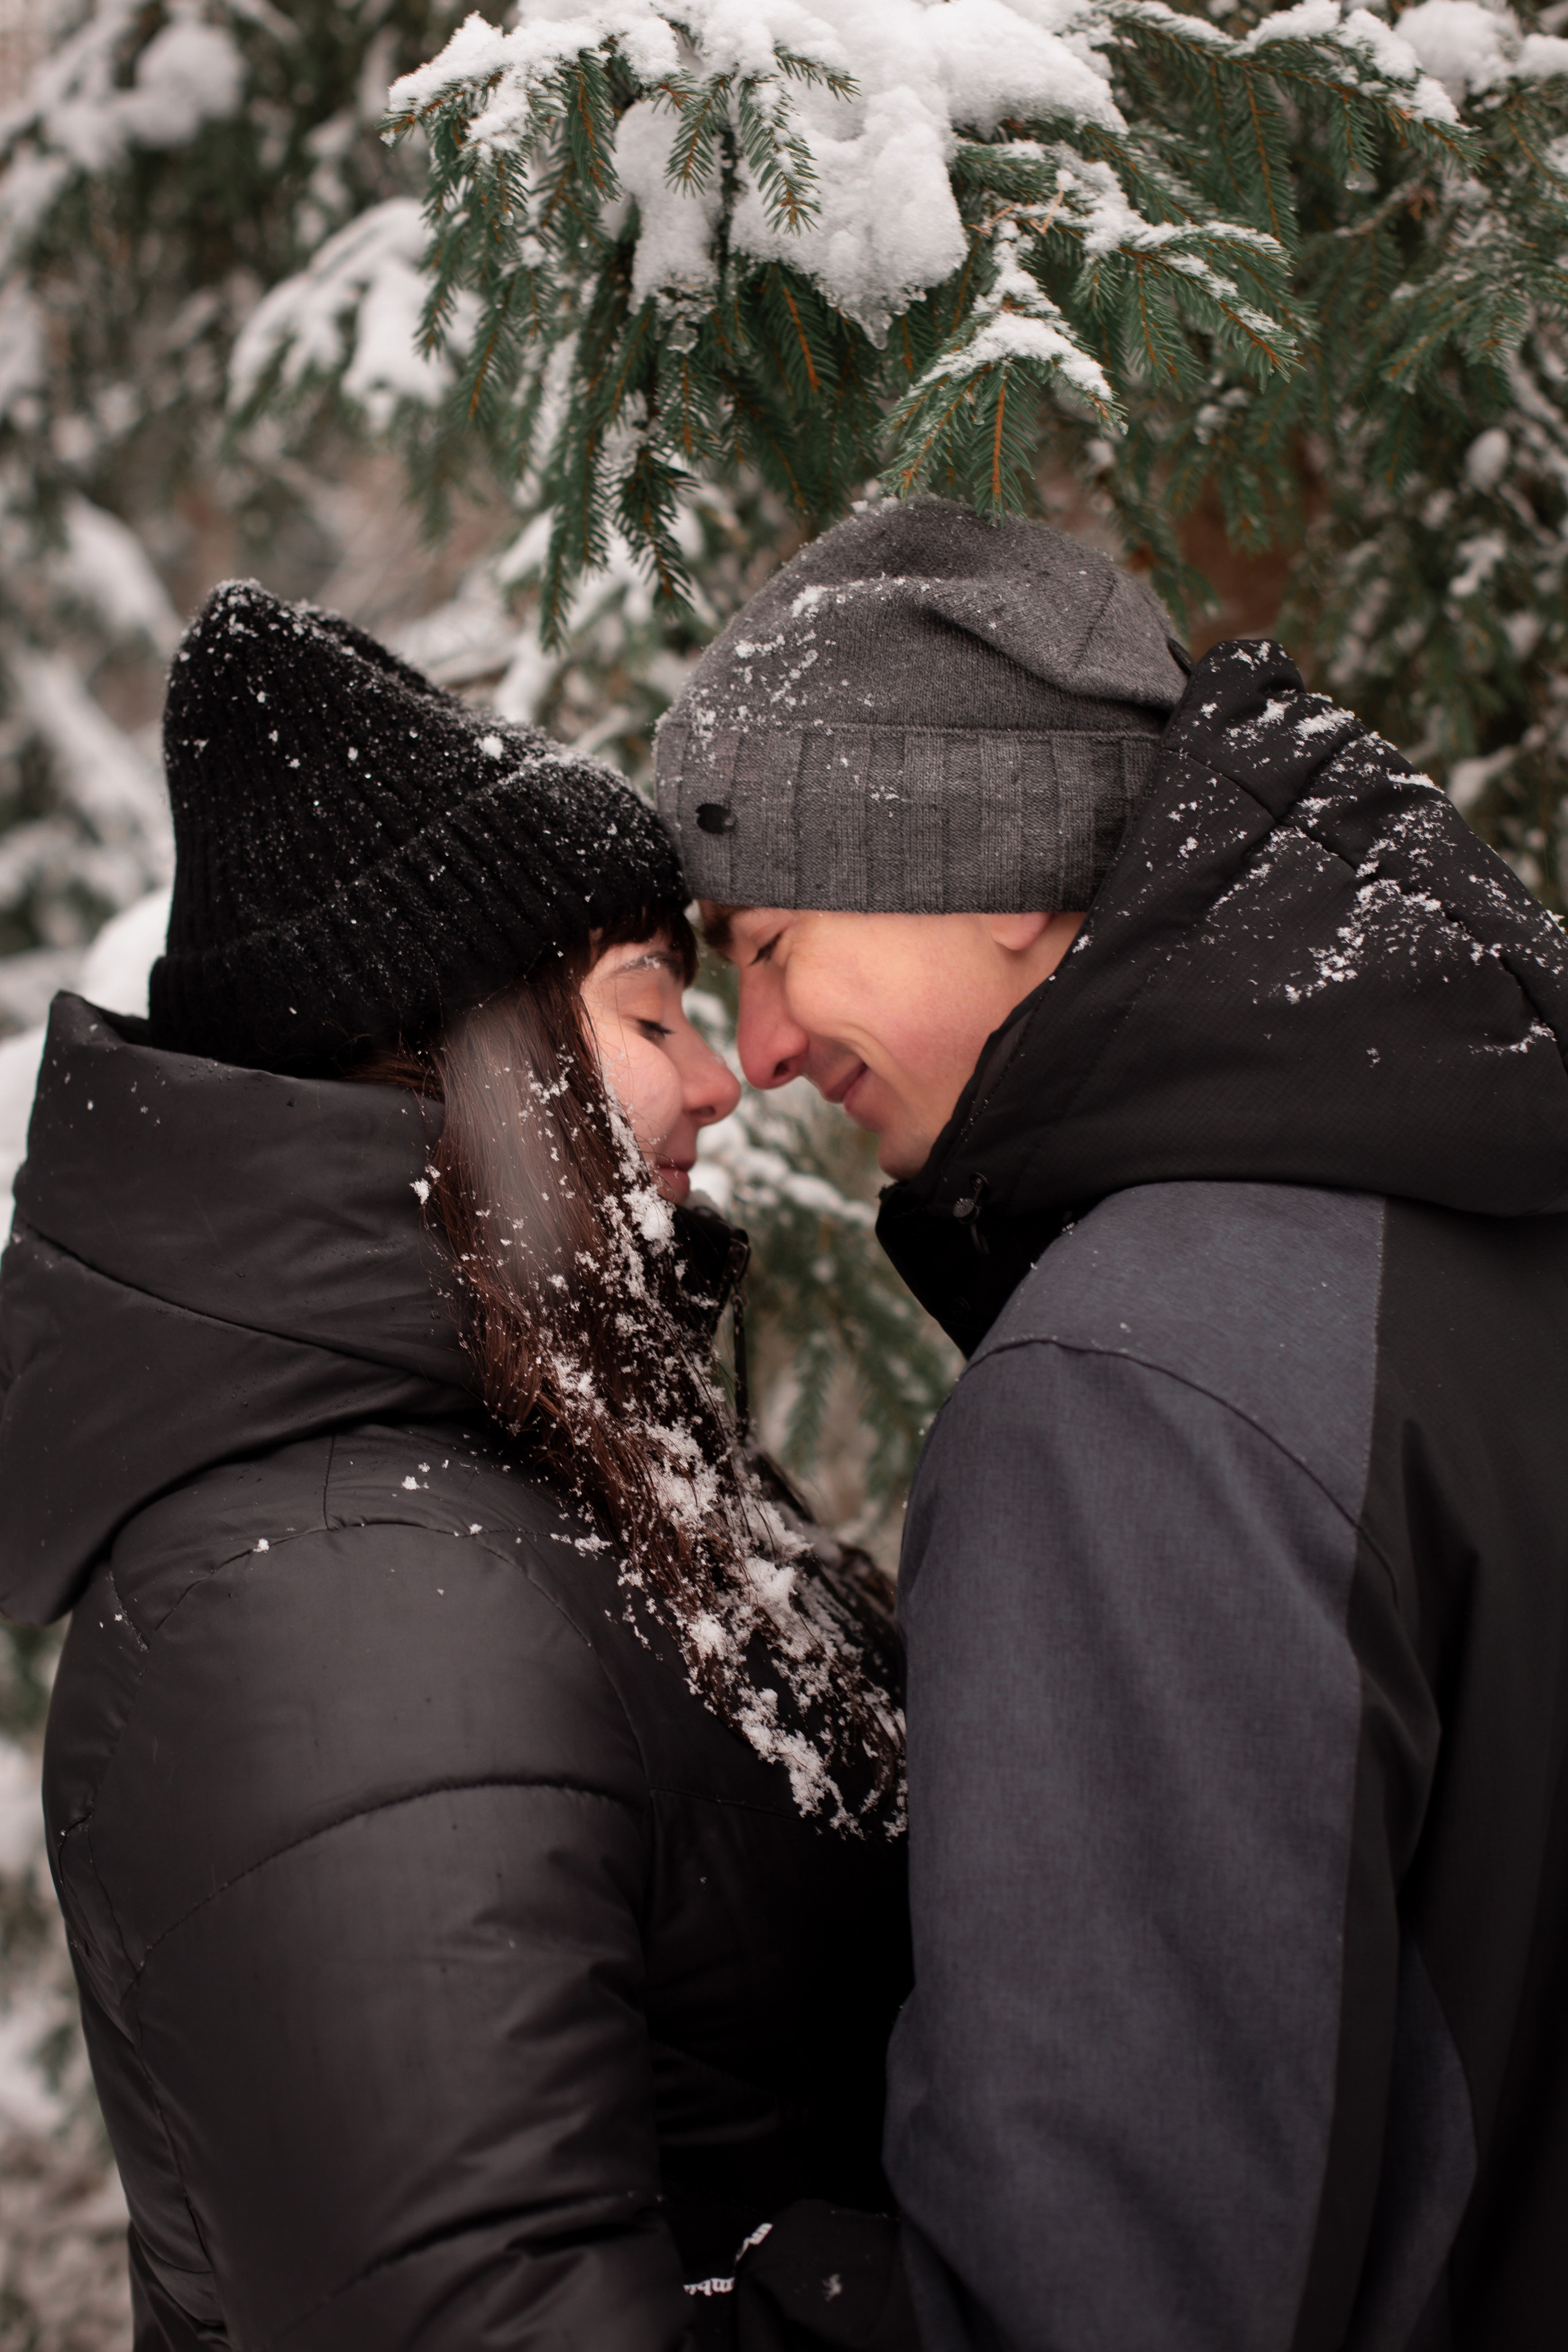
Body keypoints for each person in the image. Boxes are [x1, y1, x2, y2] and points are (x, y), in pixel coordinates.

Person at [658, 499, 1568, 2351]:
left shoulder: (1145, 1380)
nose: (755, 1052)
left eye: (769, 938)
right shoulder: (1463, 1211)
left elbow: (1100, 2283)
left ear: (989, 859)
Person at [0, 584, 917, 2351]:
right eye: (654, 1019)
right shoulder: (331, 1606)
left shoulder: (510, 1485)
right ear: (479, 1065)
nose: (724, 1082)